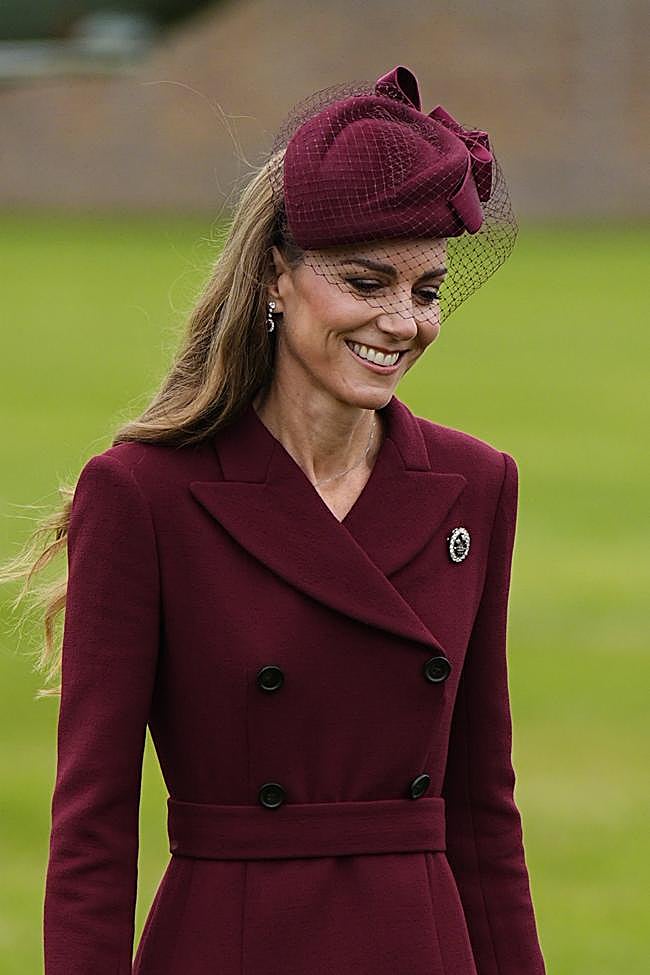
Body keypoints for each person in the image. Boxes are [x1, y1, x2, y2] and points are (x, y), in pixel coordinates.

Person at [2, 65, 546, 973]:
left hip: (421, 944)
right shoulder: (142, 495)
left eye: (426, 290)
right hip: (230, 942)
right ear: (275, 277)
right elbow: (92, 824)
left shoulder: (476, 482)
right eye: (367, 281)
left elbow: (485, 807)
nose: (402, 321)